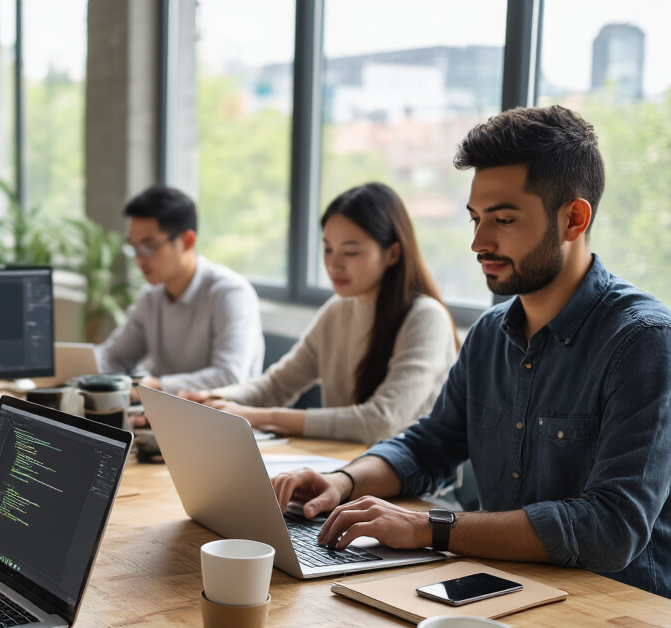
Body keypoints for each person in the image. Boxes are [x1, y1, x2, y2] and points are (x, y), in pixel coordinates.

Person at [271, 105, 671, 598]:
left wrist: (428, 527)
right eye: (475, 219)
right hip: (500, 586)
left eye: (503, 219)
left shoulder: (644, 341)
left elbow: (612, 528)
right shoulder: (489, 334)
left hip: (614, 610)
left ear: (573, 219)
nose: (479, 242)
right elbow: (429, 445)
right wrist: (343, 482)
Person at [179, 183, 458, 445]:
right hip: (344, 466)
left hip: (406, 478)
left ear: (393, 254)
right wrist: (211, 400)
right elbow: (276, 385)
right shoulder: (337, 310)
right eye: (327, 249)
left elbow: (380, 421)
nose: (333, 264)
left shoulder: (426, 317)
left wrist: (259, 416)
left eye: (350, 252)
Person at [95, 185, 264, 393]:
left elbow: (229, 376)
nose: (139, 260)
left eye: (149, 247)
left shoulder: (229, 293)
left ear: (187, 241)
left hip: (221, 412)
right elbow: (114, 356)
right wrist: (80, 370)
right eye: (134, 247)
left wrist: (157, 386)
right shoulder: (151, 296)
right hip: (163, 411)